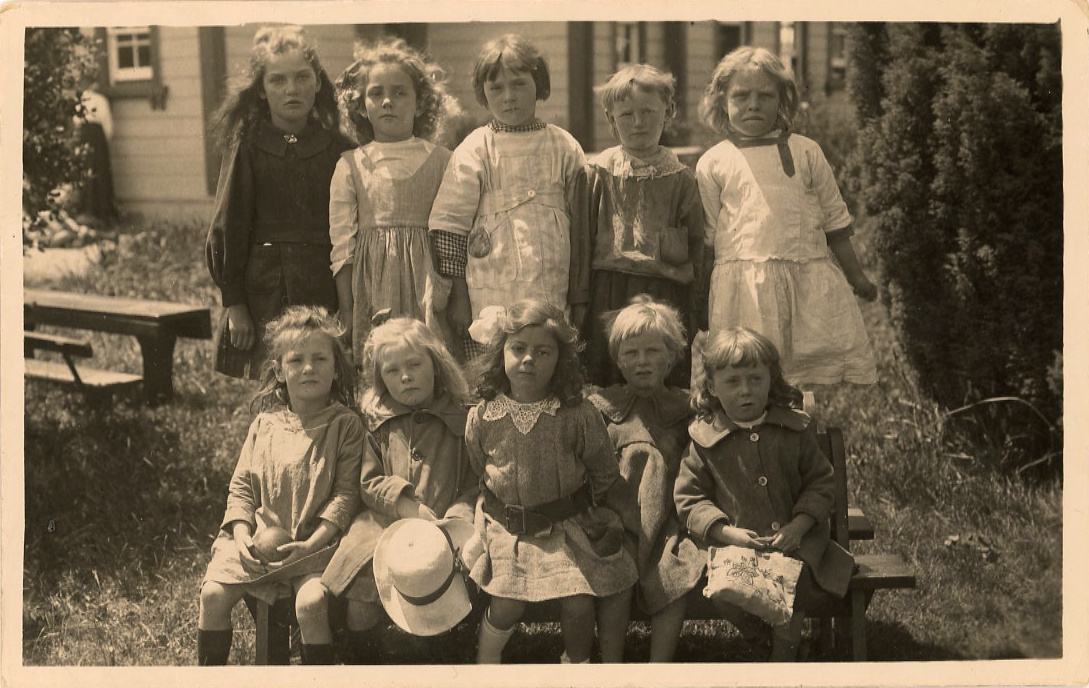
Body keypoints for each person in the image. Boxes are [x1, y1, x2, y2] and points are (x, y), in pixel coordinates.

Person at [695, 46, 877, 400]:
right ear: (722, 101)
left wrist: (857, 277)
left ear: (782, 100)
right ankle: (745, 433)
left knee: (795, 375)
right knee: (746, 368)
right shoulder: (713, 162)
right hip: (743, 288)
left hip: (803, 280)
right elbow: (706, 237)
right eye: (741, 96)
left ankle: (796, 435)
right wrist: (702, 298)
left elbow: (835, 219)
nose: (753, 105)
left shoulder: (806, 151)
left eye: (765, 96)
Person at [462, 299, 637, 664]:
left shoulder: (577, 414)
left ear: (561, 361)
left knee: (579, 601)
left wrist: (616, 516)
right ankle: (484, 663)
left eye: (543, 352)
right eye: (518, 349)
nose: (529, 359)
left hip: (568, 526)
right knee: (507, 602)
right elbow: (482, 470)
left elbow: (604, 472)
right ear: (501, 354)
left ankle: (577, 668)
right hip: (509, 530)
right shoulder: (484, 415)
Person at [674, 326, 853, 661]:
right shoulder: (705, 440)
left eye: (755, 379)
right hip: (737, 545)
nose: (746, 391)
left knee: (791, 585)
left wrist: (799, 526)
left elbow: (820, 482)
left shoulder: (792, 430)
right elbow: (690, 499)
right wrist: (727, 534)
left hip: (795, 543)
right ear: (712, 386)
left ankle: (782, 658)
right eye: (733, 382)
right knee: (721, 591)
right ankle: (762, 640)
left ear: (771, 378)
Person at [197, 306, 364, 665]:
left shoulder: (345, 426)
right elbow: (241, 488)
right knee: (212, 594)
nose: (308, 368)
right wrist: (241, 537)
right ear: (279, 371)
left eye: (320, 359)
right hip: (257, 544)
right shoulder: (264, 424)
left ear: (336, 370)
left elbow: (345, 496)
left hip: (316, 548)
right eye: (297, 360)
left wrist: (310, 545)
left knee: (311, 604)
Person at [320, 316, 476, 662]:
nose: (405, 376)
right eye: (392, 371)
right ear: (380, 379)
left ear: (436, 364)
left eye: (415, 365)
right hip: (384, 521)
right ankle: (364, 656)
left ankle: (445, 652)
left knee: (444, 574)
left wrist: (458, 515)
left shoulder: (461, 419)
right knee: (363, 582)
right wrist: (406, 505)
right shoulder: (375, 422)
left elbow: (474, 482)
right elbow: (367, 480)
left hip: (444, 521)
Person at [429, 34, 590, 361]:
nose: (509, 97)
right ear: (483, 94)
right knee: (494, 356)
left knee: (544, 350)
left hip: (550, 278)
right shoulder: (476, 147)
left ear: (539, 84)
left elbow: (584, 223)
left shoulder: (563, 146)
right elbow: (449, 227)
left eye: (519, 85)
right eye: (497, 89)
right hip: (490, 282)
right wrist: (458, 296)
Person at [206, 25, 353, 380]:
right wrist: (235, 302)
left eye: (303, 77)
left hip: (322, 285)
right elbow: (229, 224)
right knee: (273, 381)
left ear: (318, 83)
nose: (292, 89)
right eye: (278, 80)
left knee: (320, 378)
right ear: (261, 89)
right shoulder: (248, 145)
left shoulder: (338, 147)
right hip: (266, 291)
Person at [587, 296, 703, 663]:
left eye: (653, 351)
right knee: (614, 573)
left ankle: (658, 670)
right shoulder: (602, 407)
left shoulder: (688, 407)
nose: (642, 361)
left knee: (675, 572)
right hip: (616, 519)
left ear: (671, 357)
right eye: (631, 353)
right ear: (617, 359)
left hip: (669, 522)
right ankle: (611, 665)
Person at [330, 39, 460, 365]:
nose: (388, 101)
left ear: (420, 104)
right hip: (374, 284)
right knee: (383, 364)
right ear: (360, 106)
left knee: (430, 363)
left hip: (428, 284)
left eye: (400, 93)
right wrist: (347, 309)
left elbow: (457, 235)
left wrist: (458, 296)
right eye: (376, 93)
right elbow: (342, 248)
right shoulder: (350, 165)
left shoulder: (444, 161)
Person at [581, 65, 707, 389]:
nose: (638, 123)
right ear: (611, 120)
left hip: (663, 293)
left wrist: (695, 310)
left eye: (649, 112)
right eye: (626, 115)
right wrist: (579, 300)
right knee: (607, 378)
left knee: (662, 376)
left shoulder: (681, 180)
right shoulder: (597, 174)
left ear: (669, 112)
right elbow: (580, 241)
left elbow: (697, 249)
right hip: (607, 292)